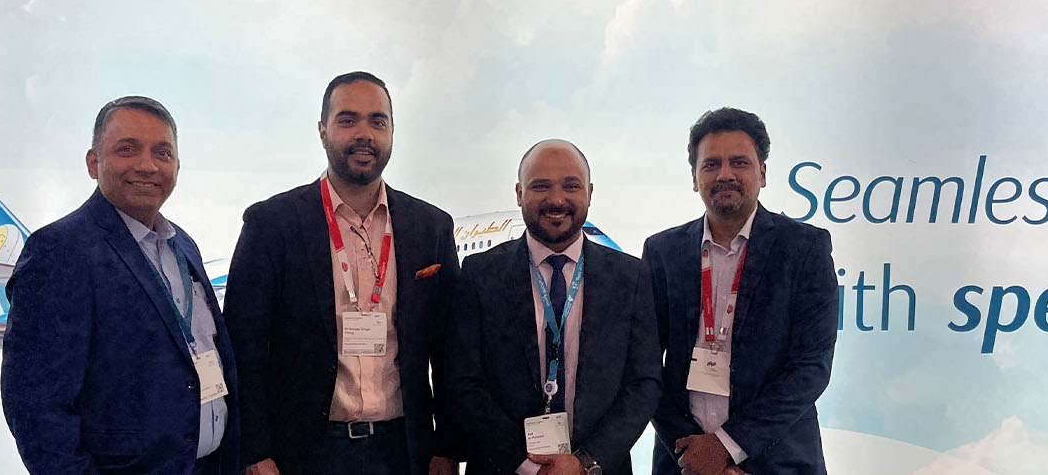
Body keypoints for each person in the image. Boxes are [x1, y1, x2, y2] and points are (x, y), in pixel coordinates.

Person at [226, 71, 461, 475]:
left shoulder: (431, 227)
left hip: (405, 451)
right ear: (322, 130)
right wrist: (254, 452)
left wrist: (448, 445)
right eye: (348, 120)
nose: (364, 133)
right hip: (303, 454)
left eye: (377, 121)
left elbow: (450, 349)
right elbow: (244, 347)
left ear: (392, 131)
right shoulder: (272, 224)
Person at [2, 95, 238, 474]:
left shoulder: (183, 245)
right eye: (127, 149)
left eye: (162, 153)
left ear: (177, 166)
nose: (147, 165)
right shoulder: (60, 249)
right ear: (93, 163)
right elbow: (37, 410)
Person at [448, 139, 660, 475]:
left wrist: (586, 462)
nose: (557, 199)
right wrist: (526, 466)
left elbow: (644, 383)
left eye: (571, 186)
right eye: (541, 186)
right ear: (519, 193)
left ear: (589, 192)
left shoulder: (630, 276)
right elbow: (464, 382)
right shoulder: (479, 275)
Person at [643, 108, 838, 475]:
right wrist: (696, 455)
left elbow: (811, 367)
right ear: (695, 177)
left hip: (777, 463)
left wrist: (726, 447)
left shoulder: (804, 249)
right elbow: (645, 365)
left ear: (762, 173)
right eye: (711, 164)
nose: (725, 174)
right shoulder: (663, 252)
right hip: (683, 461)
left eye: (739, 162)